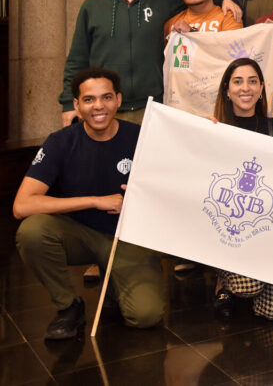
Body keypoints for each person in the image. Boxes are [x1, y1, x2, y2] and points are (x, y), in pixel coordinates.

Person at [14, 68, 165, 339]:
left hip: (126, 237)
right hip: (79, 234)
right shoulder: (60, 142)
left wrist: (139, 200)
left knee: (146, 316)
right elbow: (22, 206)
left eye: (106, 97)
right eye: (89, 99)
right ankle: (69, 306)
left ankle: (114, 286)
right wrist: (95, 201)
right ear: (77, 105)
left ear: (118, 100)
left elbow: (170, 188)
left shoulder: (142, 137)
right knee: (32, 231)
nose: (98, 106)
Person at [60, 0, 184, 126]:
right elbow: (77, 59)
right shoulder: (93, 5)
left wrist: (226, 0)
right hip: (103, 108)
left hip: (150, 108)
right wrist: (68, 104)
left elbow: (199, 1)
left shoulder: (163, 2)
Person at [210, 58, 273, 320]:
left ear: (260, 88)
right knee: (249, 287)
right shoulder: (214, 128)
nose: (245, 88)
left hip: (264, 226)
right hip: (228, 228)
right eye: (237, 81)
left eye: (252, 81)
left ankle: (263, 272)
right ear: (226, 89)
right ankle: (223, 281)